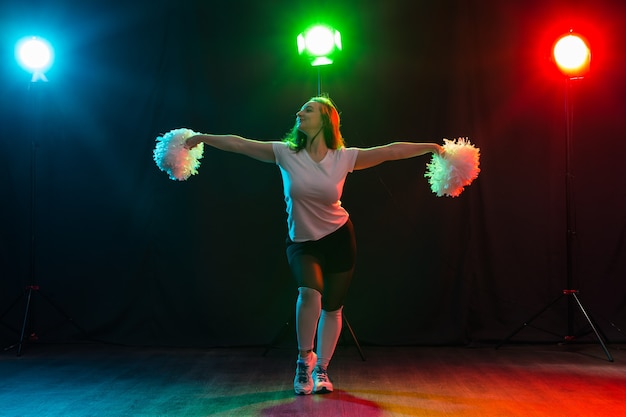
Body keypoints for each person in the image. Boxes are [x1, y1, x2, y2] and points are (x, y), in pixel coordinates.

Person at [185, 96, 443, 395]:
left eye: (308, 109)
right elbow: (240, 143)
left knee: (333, 307)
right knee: (309, 294)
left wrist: (431, 147)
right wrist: (200, 138)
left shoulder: (344, 157)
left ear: (327, 119)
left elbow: (390, 151)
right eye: (301, 109)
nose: (299, 112)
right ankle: (303, 362)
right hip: (302, 241)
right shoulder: (284, 153)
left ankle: (322, 370)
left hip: (339, 237)